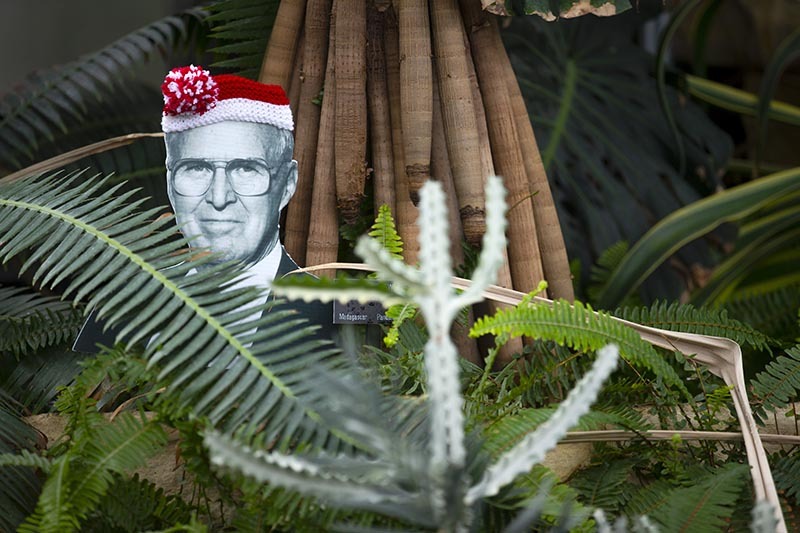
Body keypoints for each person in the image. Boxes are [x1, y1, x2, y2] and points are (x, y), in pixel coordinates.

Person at [74, 65, 332, 351]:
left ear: (286, 185)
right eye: (196, 168)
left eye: (246, 169)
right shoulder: (122, 308)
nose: (219, 197)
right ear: (170, 182)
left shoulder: (333, 316)